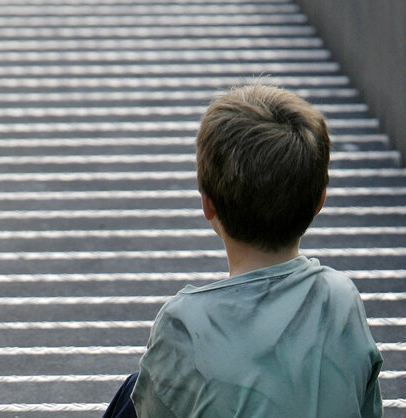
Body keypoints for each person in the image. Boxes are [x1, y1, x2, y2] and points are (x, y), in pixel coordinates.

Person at [103, 84, 383, 417]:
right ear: (319, 201)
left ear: (207, 203)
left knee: (137, 391)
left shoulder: (185, 325)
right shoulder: (341, 299)